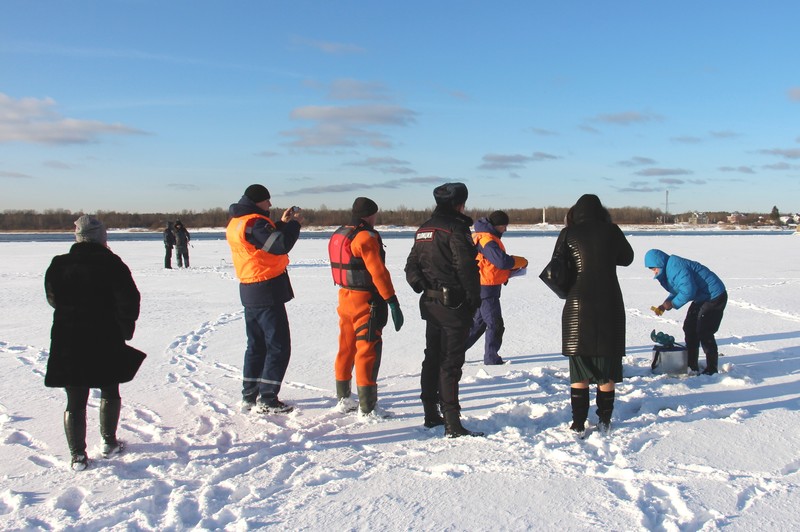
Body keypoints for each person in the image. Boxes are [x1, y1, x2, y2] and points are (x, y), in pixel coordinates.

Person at [44, 215, 143, 471]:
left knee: (75, 397)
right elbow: (130, 299)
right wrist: (124, 328)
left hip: (68, 337)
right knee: (109, 388)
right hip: (104, 335)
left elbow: (53, 298)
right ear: (100, 236)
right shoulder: (111, 263)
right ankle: (108, 442)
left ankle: (78, 456)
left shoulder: (59, 264)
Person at [405, 182, 484, 438]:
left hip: (431, 304)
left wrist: (422, 285)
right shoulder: (456, 229)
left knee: (432, 357)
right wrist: (473, 300)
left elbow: (411, 266)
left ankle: (431, 413)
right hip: (453, 305)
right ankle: (452, 423)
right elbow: (466, 268)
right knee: (450, 362)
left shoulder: (424, 229)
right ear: (458, 204)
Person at [552, 194, 633, 435]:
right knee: (606, 366)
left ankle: (578, 422)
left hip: (578, 304)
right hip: (609, 302)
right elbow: (627, 258)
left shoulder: (568, 233)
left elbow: (556, 266)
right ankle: (605, 420)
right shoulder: (612, 230)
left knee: (580, 365)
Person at [226, 184, 302, 414]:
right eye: (267, 200)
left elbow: (262, 242)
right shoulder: (254, 222)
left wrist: (280, 223)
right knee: (278, 346)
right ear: (257, 201)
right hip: (266, 289)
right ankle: (267, 398)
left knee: (256, 345)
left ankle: (249, 394)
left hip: (250, 288)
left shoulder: (239, 221)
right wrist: (295, 225)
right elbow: (279, 245)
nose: (269, 204)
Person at [328, 197, 404, 416]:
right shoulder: (365, 237)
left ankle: (343, 398)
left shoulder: (339, 233)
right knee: (367, 350)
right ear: (371, 215)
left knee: (346, 346)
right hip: (366, 301)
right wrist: (392, 301)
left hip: (344, 296)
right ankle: (368, 408)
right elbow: (378, 272)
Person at [644, 249, 727, 375]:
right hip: (702, 296)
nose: (654, 272)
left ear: (660, 263)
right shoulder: (669, 269)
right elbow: (678, 289)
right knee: (689, 328)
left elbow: (688, 290)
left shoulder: (675, 267)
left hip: (714, 296)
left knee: (704, 331)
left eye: (654, 268)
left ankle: (712, 368)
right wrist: (665, 304)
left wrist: (672, 304)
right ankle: (691, 364)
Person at [464, 210, 528, 365]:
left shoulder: (481, 236)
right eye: (504, 226)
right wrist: (520, 261)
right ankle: (491, 358)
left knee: (478, 324)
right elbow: (501, 261)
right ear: (497, 225)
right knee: (495, 324)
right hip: (486, 289)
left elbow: (492, 262)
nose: (505, 230)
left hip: (481, 286)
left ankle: (454, 352)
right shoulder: (487, 239)